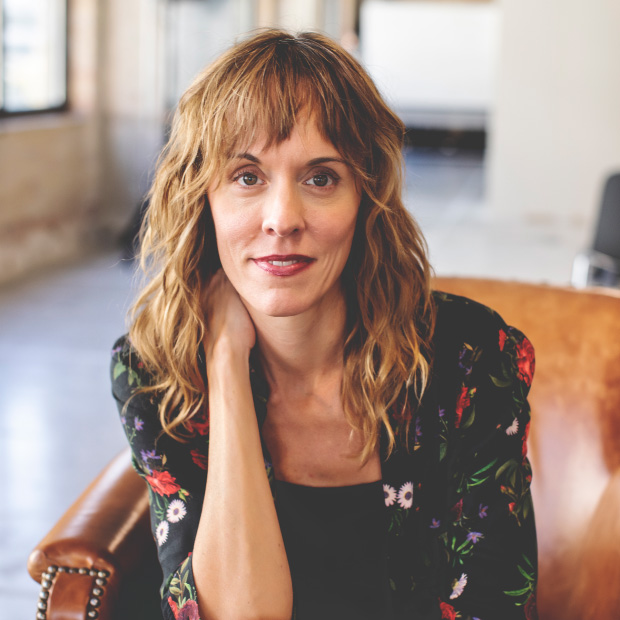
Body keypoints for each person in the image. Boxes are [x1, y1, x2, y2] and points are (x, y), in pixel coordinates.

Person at [111, 29, 538, 620]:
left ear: (367, 197)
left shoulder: (472, 359)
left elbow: (496, 605)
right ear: (200, 198)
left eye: (321, 178)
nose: (283, 219)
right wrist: (225, 363)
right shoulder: (157, 371)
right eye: (246, 176)